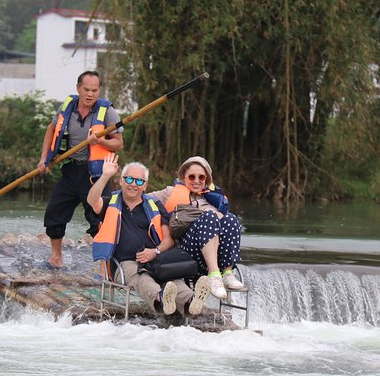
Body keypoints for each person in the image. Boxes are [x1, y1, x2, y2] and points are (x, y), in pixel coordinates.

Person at [88, 153, 211, 316]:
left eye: (139, 181)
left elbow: (168, 239)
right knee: (141, 277)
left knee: (172, 280)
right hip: (123, 263)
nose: (133, 184)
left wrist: (155, 251)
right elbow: (91, 200)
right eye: (129, 179)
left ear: (145, 186)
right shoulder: (110, 200)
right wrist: (105, 176)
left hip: (155, 258)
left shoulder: (155, 205)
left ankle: (191, 301)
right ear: (121, 181)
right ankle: (161, 299)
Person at [37, 71, 123, 269]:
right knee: (54, 212)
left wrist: (100, 140)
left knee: (99, 219)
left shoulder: (107, 111)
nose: (90, 94)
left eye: (95, 90)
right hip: (70, 170)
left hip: (96, 176)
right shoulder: (67, 107)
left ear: (99, 91)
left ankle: (106, 266)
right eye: (86, 90)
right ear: (78, 88)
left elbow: (118, 144)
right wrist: (44, 159)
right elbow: (51, 130)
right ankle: (56, 257)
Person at [147, 156, 243, 300]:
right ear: (183, 177)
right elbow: (141, 198)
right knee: (209, 216)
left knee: (231, 219)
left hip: (212, 251)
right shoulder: (169, 192)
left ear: (207, 179)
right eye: (192, 177)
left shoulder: (211, 199)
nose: (196, 181)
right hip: (184, 250)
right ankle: (214, 275)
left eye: (201, 177)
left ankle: (227, 273)